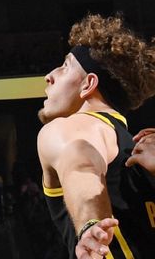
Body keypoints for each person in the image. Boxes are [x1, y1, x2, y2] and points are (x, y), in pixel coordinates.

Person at [36, 14, 155, 259]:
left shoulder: (75, 126)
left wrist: (91, 224)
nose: (50, 75)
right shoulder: (143, 150)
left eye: (66, 65)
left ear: (88, 85)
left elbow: (78, 158)